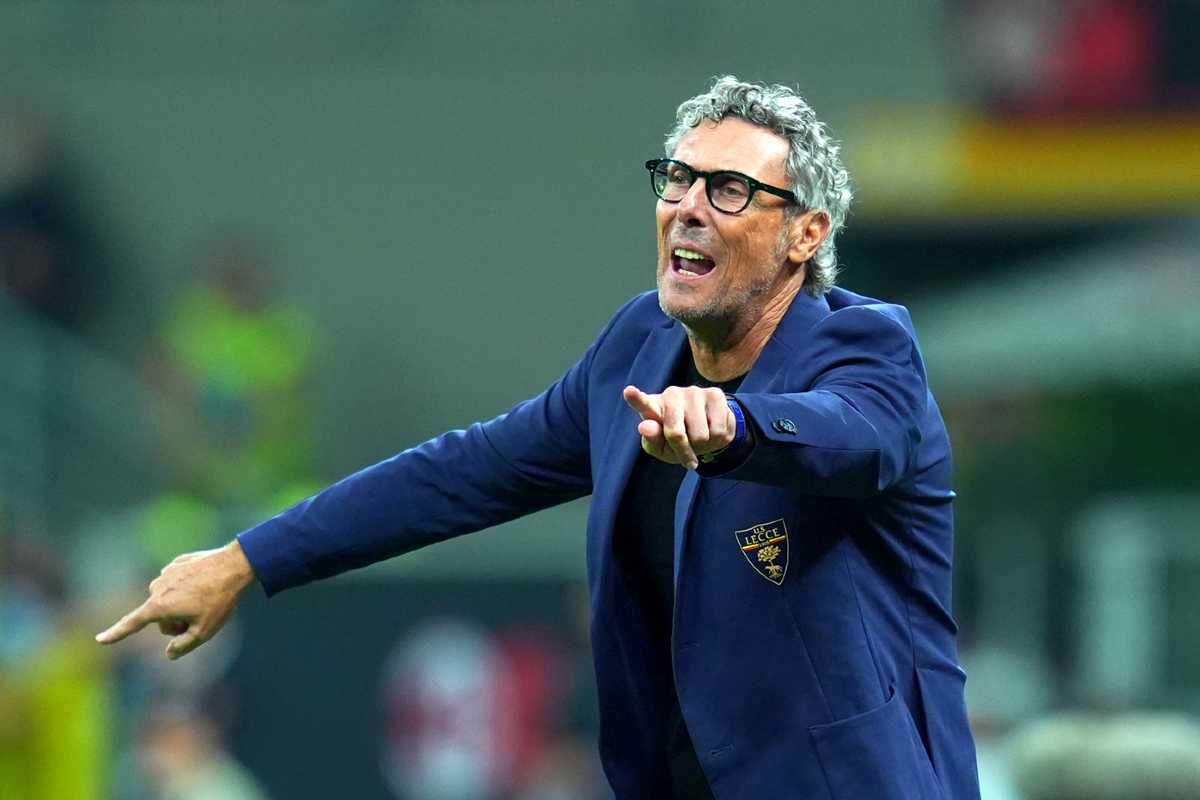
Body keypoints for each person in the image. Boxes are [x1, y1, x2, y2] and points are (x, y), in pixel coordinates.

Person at [97, 76, 981, 799]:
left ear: (805, 234)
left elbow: (854, 435)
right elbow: (464, 473)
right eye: (677, 179)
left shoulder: (867, 348)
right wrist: (247, 558)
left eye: (730, 190)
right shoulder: (635, 352)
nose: (687, 208)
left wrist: (739, 426)